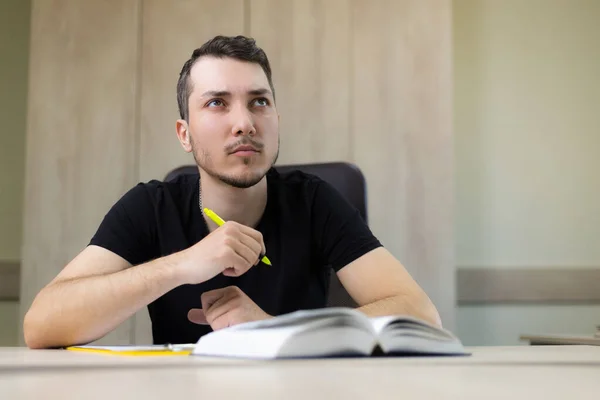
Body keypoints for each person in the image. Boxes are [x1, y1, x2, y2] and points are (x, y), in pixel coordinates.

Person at [23, 35, 441, 349]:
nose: (245, 123)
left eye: (259, 102)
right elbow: (41, 324)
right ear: (184, 135)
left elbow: (420, 312)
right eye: (217, 103)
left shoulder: (315, 201)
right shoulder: (150, 206)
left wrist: (271, 330)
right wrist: (182, 265)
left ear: (276, 117)